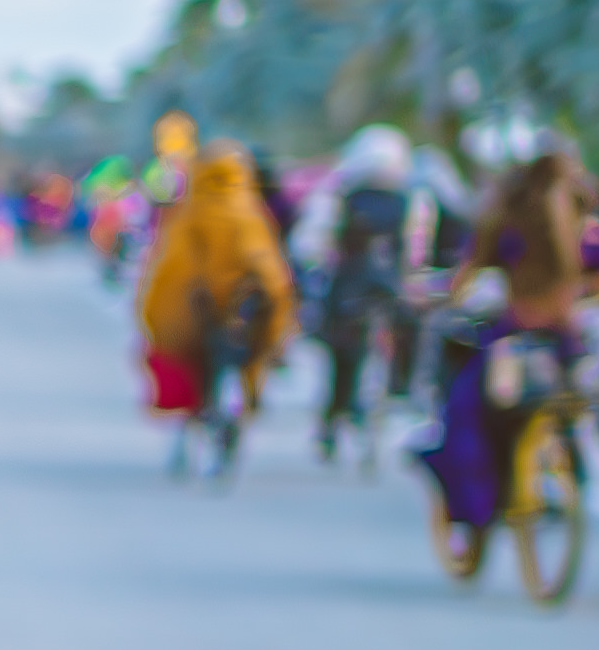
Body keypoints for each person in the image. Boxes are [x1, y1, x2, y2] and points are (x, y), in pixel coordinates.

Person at [423, 149, 599, 542]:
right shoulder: (586, 226)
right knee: (571, 402)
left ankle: (477, 504)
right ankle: (569, 469)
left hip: (514, 335)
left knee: (465, 407)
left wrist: (441, 298)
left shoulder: (506, 221)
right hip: (565, 340)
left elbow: (464, 277)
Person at [133, 148, 292, 443]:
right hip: (236, 307)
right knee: (262, 334)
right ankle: (252, 390)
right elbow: (265, 266)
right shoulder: (248, 216)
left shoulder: (187, 215)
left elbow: (169, 268)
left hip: (198, 306)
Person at [295, 124, 445, 433]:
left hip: (347, 286)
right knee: (414, 326)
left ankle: (335, 414)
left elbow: (315, 241)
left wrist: (318, 264)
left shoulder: (340, 196)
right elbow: (416, 246)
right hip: (391, 284)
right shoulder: (410, 199)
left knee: (339, 349)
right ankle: (401, 386)